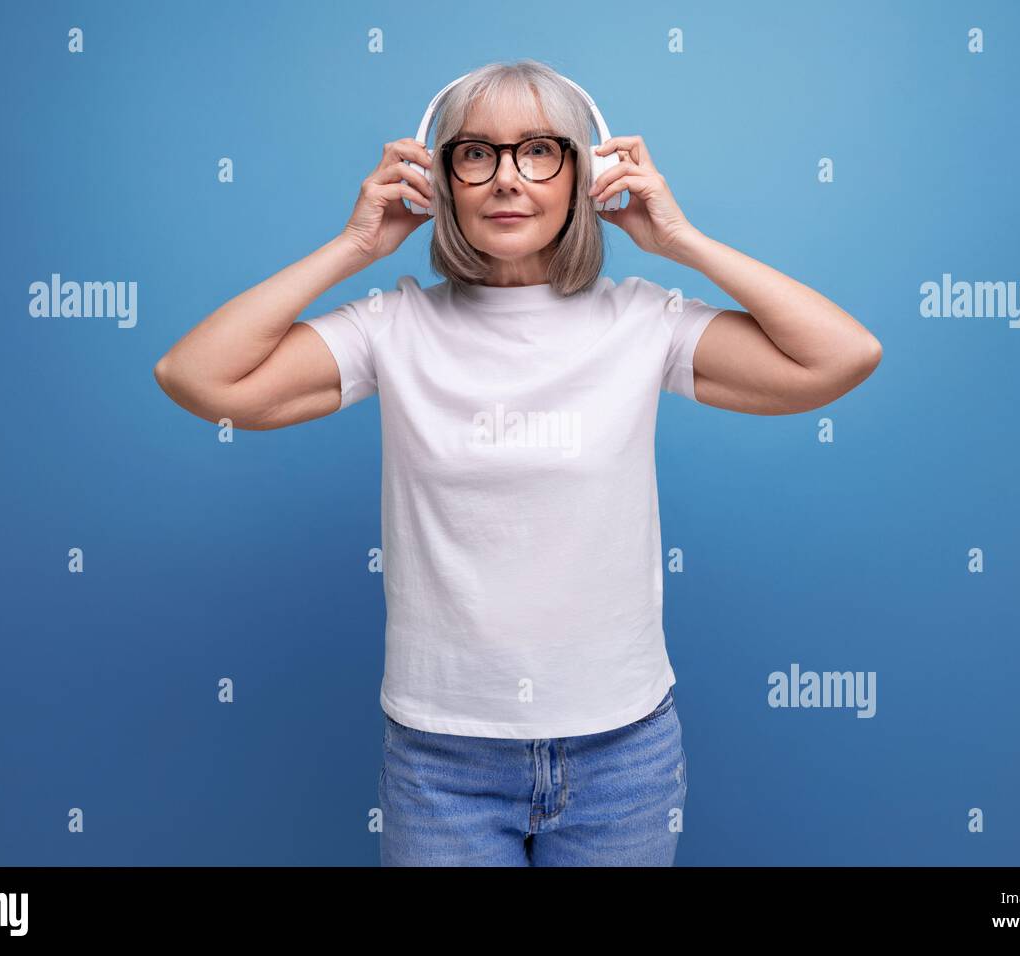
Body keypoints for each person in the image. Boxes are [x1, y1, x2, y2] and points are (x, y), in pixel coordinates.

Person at [153, 59, 882, 866]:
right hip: (443, 758)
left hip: (624, 751)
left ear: (585, 174)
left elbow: (841, 357)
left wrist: (682, 241)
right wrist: (353, 246)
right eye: (476, 154)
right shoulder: (391, 328)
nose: (507, 179)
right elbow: (196, 377)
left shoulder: (644, 322)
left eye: (539, 151)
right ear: (439, 180)